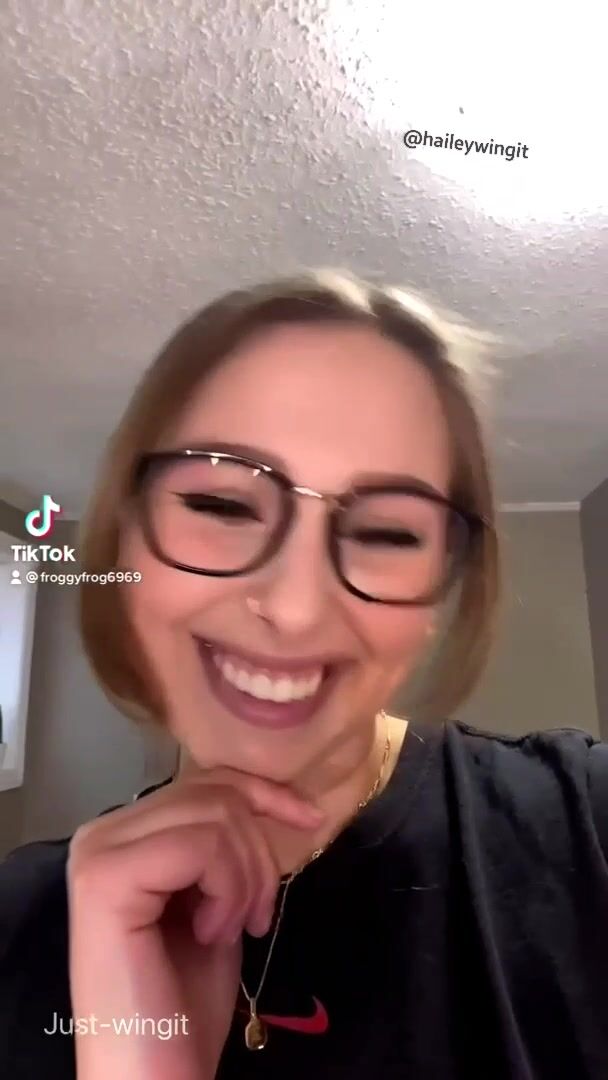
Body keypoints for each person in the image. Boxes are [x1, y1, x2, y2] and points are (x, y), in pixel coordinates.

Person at [1, 268, 607, 1080]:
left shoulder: (588, 827)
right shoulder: (16, 925)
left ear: (440, 592)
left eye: (387, 533)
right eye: (222, 506)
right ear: (125, 536)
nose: (293, 608)